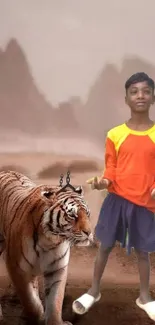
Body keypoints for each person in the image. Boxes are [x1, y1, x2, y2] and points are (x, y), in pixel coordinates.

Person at [72, 72, 155, 321]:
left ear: (153, 97)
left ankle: (145, 297)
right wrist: (102, 182)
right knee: (105, 246)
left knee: (143, 252)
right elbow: (112, 168)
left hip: (144, 204)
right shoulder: (115, 134)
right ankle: (93, 291)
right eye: (134, 91)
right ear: (126, 99)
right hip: (116, 200)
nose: (140, 95)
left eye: (145, 91)